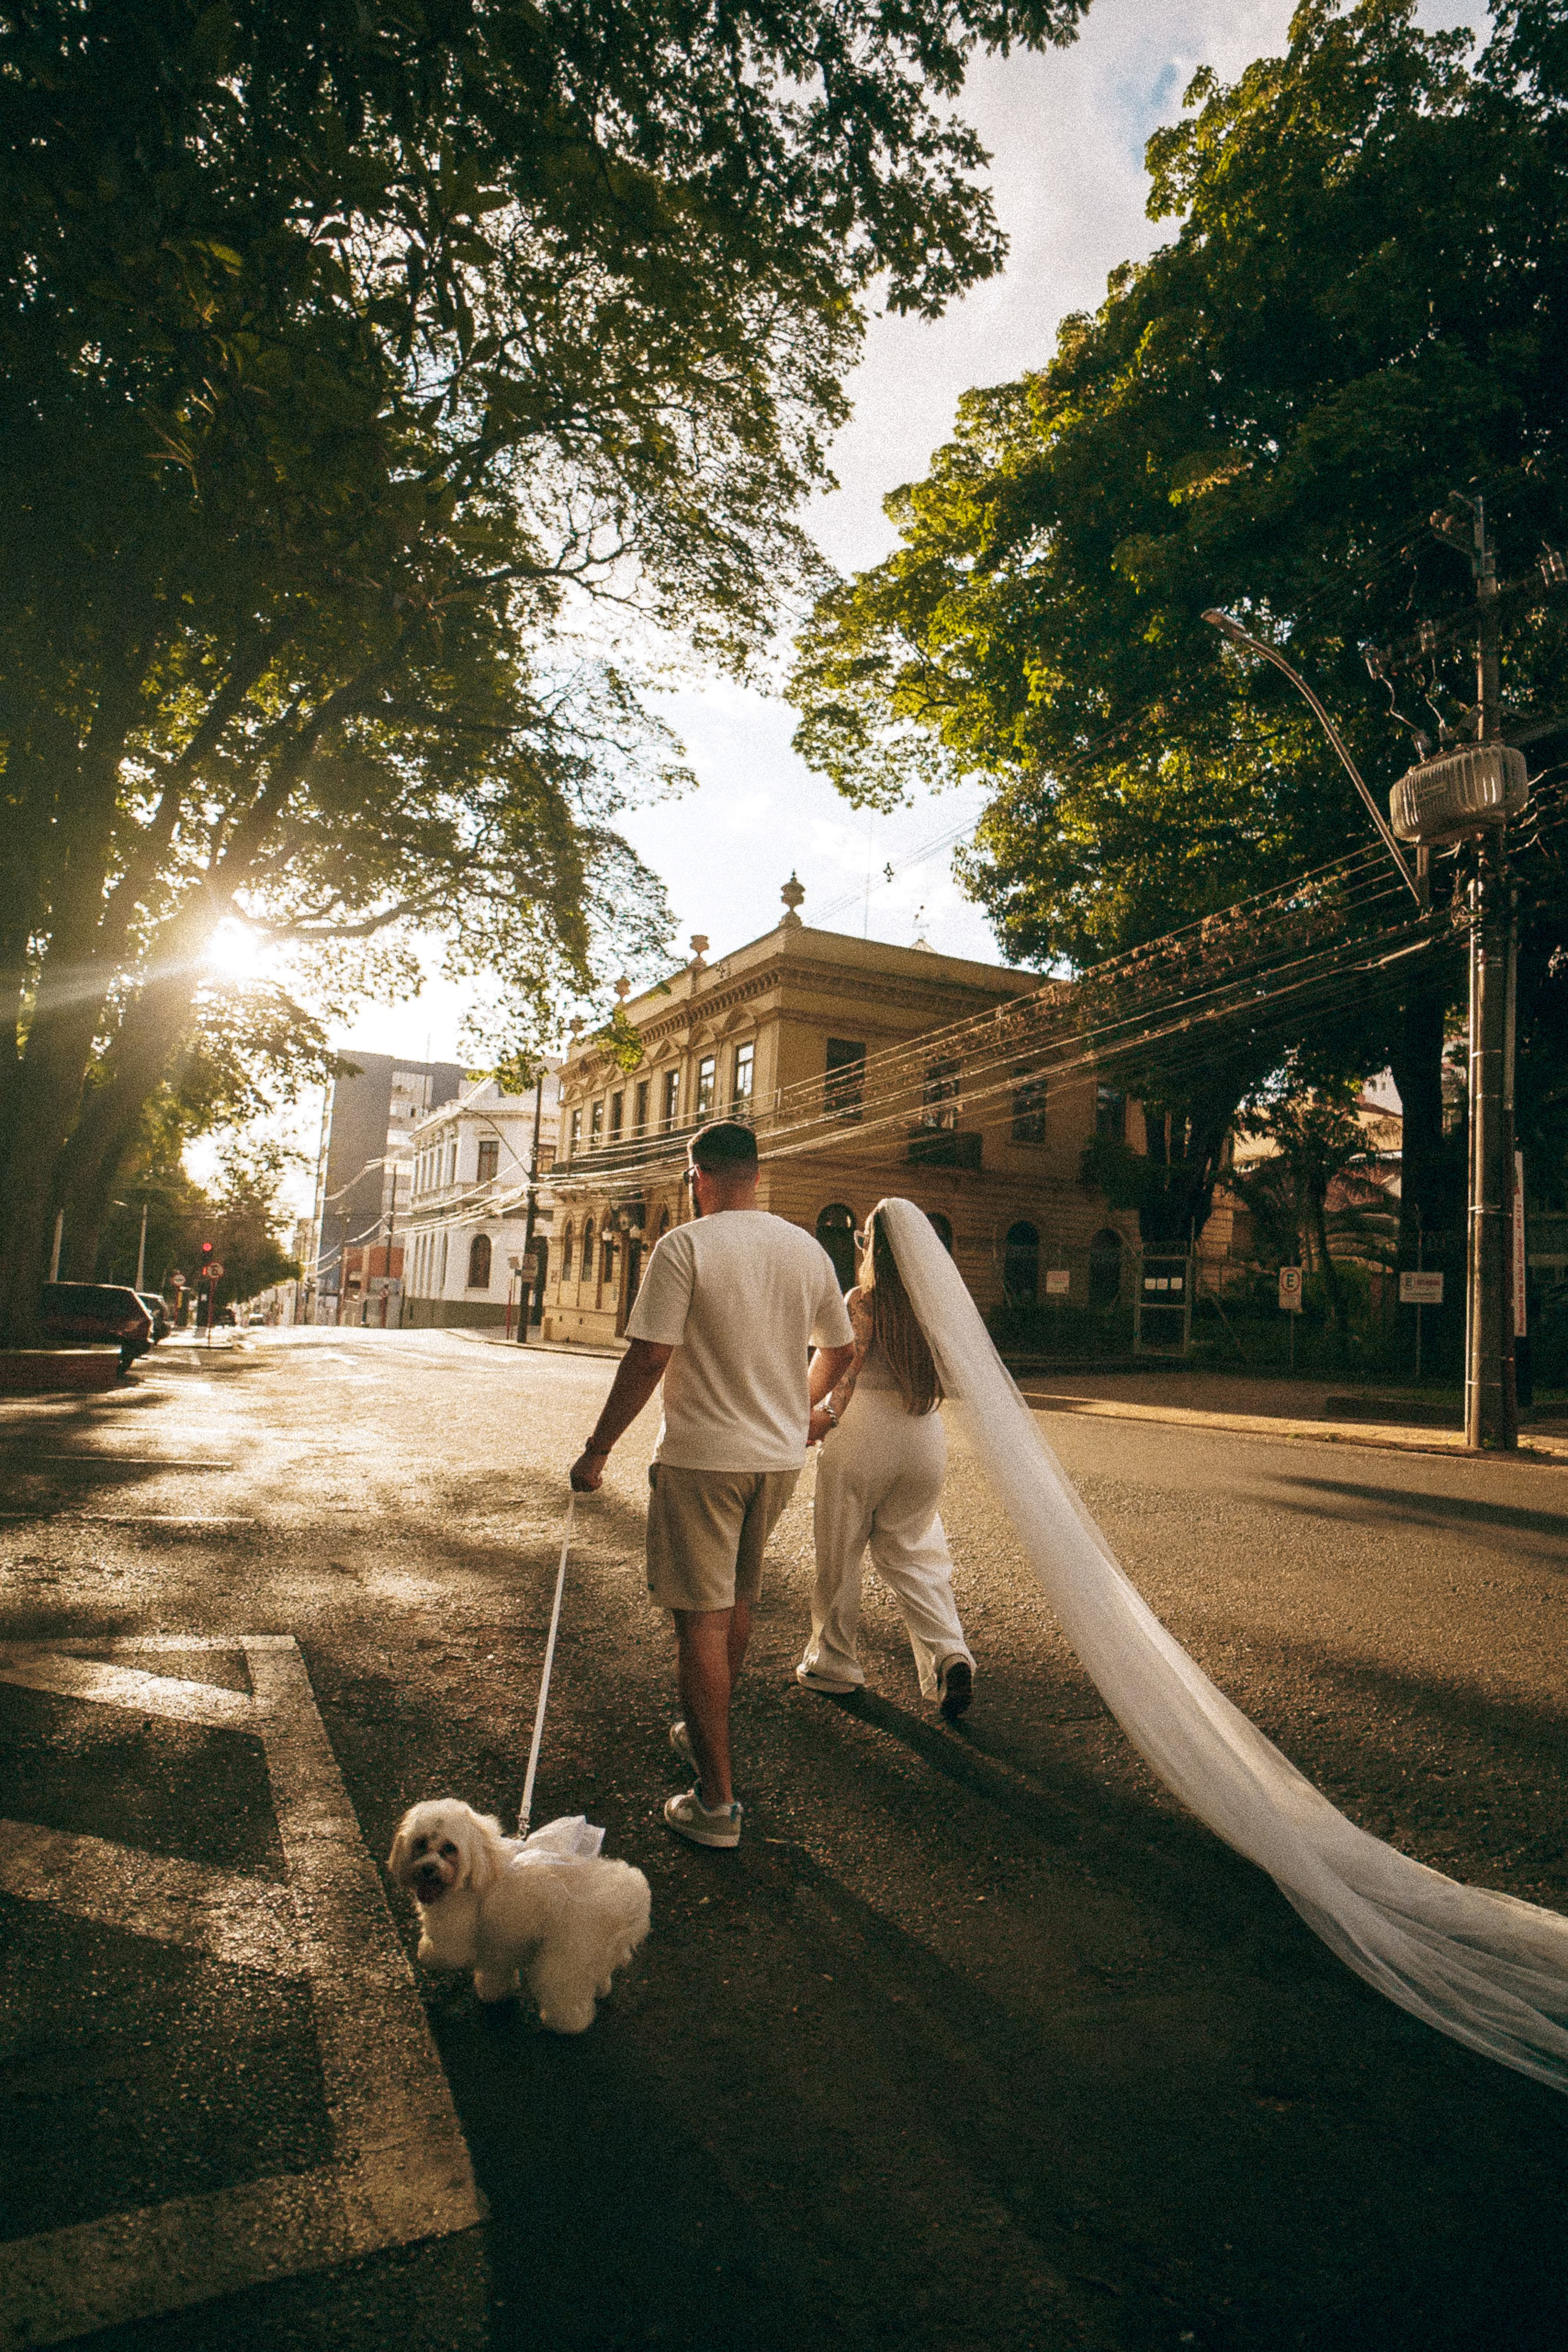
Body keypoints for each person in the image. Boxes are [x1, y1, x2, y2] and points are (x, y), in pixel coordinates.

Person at [569, 1121, 854, 1849]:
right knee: (739, 1603)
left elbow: (649, 1357)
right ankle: (707, 1721)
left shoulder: (685, 1246)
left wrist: (598, 1450)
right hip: (776, 1461)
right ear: (755, 1174)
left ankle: (716, 1802)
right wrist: (799, 1413)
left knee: (699, 1619)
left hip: (702, 1460)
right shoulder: (804, 1247)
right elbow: (840, 1347)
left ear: (696, 1176)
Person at [797, 1201, 976, 1719]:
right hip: (923, 1437)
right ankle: (950, 1652)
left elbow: (844, 1375)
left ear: (875, 1246)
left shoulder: (863, 1301)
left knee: (841, 1549)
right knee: (915, 1553)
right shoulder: (937, 1304)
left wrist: (820, 1416)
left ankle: (833, 1663)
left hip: (862, 1438)